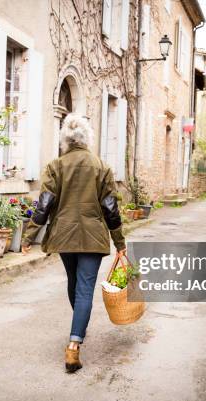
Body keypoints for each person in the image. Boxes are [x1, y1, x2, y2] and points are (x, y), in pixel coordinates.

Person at [21, 113, 126, 373]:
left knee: (74, 283)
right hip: (92, 236)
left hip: (64, 236)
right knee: (85, 289)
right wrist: (119, 240)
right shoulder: (101, 167)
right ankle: (74, 344)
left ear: (65, 140)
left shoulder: (55, 166)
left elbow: (44, 204)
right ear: (87, 137)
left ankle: (79, 327)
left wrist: (28, 237)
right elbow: (110, 208)